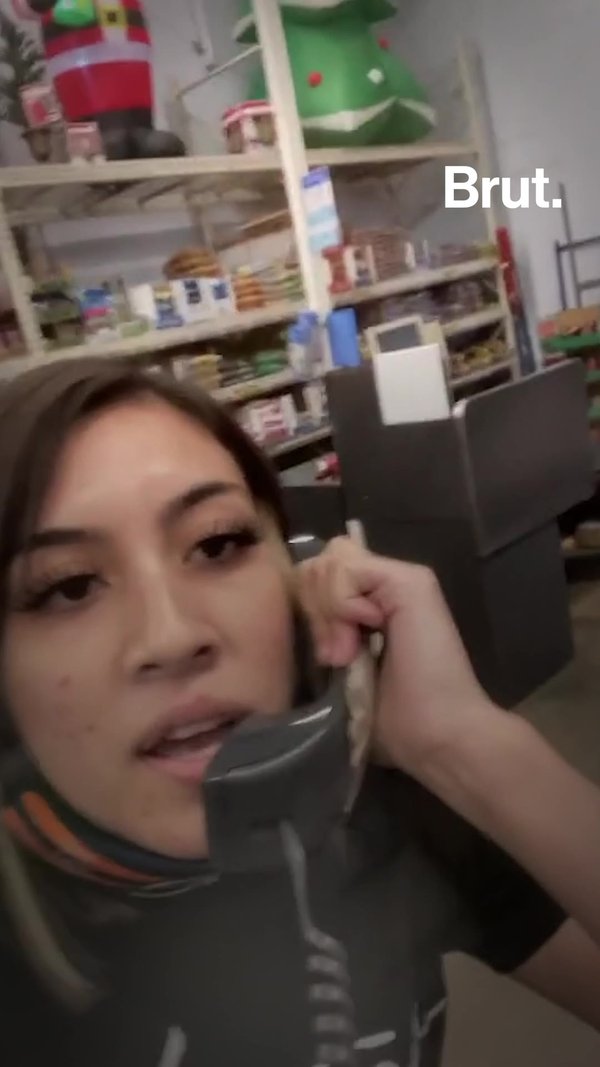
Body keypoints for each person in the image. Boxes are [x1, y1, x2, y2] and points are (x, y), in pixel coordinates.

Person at [0, 356, 598, 1067]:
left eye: (217, 543)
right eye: (68, 587)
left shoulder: (385, 812)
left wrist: (466, 744)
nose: (172, 636)